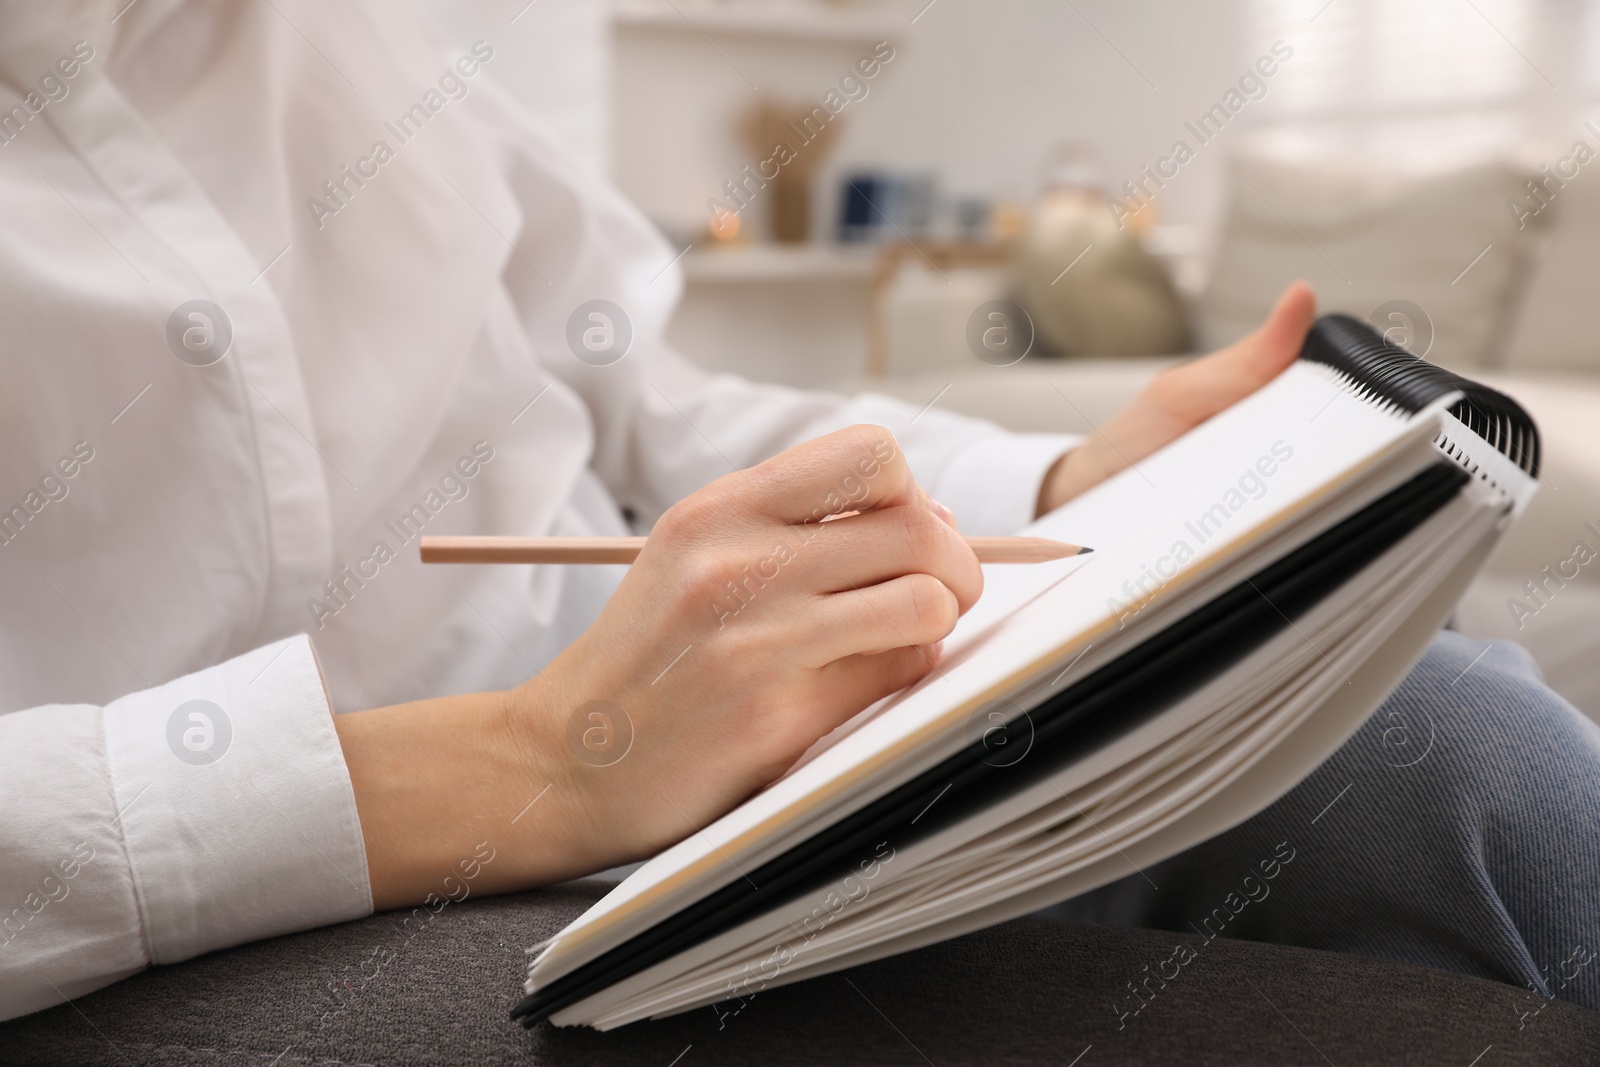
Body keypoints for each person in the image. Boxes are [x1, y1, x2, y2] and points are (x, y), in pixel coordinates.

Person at [2, 0, 1597, 1027]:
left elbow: (665, 414)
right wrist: (540, 759)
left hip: (705, 745)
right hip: (238, 915)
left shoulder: (358, 41)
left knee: (1452, 735)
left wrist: (1057, 487)